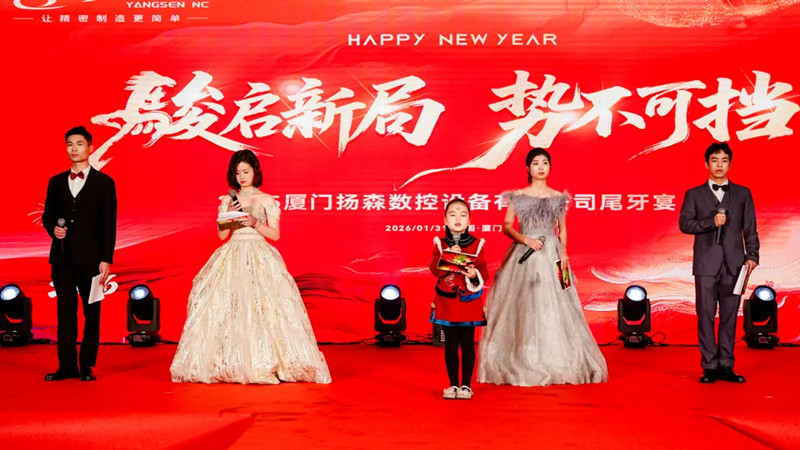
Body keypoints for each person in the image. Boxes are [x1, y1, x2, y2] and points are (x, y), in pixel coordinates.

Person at [170, 150, 331, 384]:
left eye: (245, 172)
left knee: (263, 308)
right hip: (233, 254)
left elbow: (275, 234)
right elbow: (222, 235)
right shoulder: (228, 200)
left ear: (255, 171)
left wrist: (254, 223)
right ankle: (231, 361)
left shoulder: (266, 200)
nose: (242, 177)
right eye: (237, 173)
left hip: (259, 254)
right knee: (228, 307)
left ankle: (263, 360)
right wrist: (228, 215)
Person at [478, 148, 608, 386]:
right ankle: (524, 356)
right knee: (524, 303)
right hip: (524, 254)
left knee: (563, 302)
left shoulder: (558, 197)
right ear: (528, 168)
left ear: (550, 166)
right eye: (535, 163)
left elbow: (563, 229)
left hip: (554, 255)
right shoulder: (518, 196)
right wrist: (526, 239)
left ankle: (559, 356)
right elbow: (507, 226)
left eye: (545, 162)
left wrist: (564, 252)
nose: (540, 167)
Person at [679, 142, 759, 384]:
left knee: (729, 316)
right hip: (705, 265)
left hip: (735, 264)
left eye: (724, 160)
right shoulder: (694, 194)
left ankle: (726, 365)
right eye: (715, 160)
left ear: (730, 164)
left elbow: (750, 227)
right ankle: (709, 366)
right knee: (705, 315)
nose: (719, 165)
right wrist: (711, 222)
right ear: (706, 164)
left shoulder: (743, 193)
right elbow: (685, 224)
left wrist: (752, 255)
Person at [42, 126, 117, 382]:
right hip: (62, 258)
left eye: (79, 144)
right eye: (70, 144)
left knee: (91, 312)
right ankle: (66, 366)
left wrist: (106, 258)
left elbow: (109, 224)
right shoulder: (55, 182)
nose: (74, 149)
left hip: (93, 260)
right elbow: (48, 215)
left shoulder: (104, 183)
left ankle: (86, 365)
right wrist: (53, 229)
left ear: (90, 148)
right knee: (65, 313)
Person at [429, 199, 488, 399]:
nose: (458, 218)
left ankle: (466, 386)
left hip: (468, 301)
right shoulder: (440, 243)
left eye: (463, 215)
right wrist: (447, 257)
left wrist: (474, 275)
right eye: (452, 214)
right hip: (447, 301)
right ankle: (453, 384)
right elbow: (435, 271)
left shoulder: (477, 244)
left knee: (468, 343)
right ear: (445, 220)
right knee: (451, 344)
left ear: (469, 220)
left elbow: (484, 272)